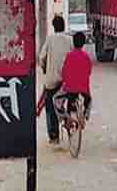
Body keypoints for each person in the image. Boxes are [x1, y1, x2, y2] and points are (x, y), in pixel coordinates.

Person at [38, 15, 71, 145]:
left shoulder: (50, 39)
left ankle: (54, 136)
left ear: (54, 27)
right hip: (67, 81)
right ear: (63, 26)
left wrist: (45, 68)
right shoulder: (70, 40)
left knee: (50, 107)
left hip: (52, 81)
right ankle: (69, 121)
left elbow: (41, 57)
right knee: (69, 100)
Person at [54, 32, 93, 121]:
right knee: (89, 100)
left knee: (55, 99)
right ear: (83, 44)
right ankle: (86, 114)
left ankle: (62, 117)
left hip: (69, 88)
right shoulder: (86, 57)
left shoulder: (69, 56)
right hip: (84, 89)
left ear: (73, 42)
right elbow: (89, 72)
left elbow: (64, 72)